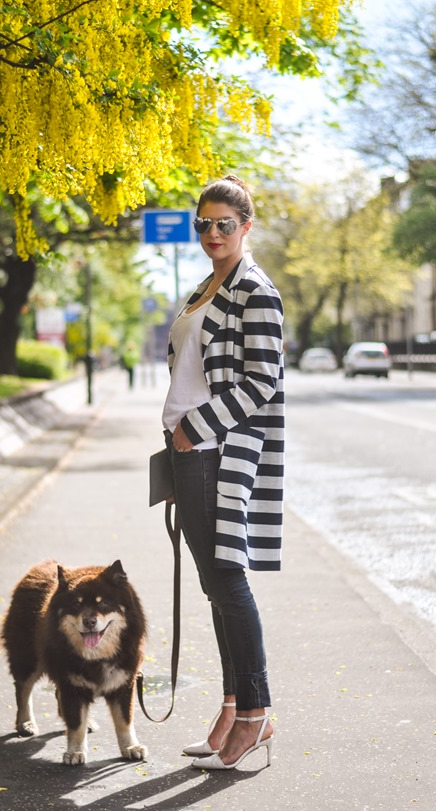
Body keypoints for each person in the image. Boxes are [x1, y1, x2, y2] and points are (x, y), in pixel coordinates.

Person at [161, 175, 284, 770]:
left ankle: (256, 713)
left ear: (246, 226)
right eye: (203, 224)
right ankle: (233, 706)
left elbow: (263, 381)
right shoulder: (207, 288)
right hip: (190, 451)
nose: (212, 233)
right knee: (215, 584)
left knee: (228, 582)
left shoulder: (254, 290)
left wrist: (193, 428)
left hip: (216, 450)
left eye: (224, 224)